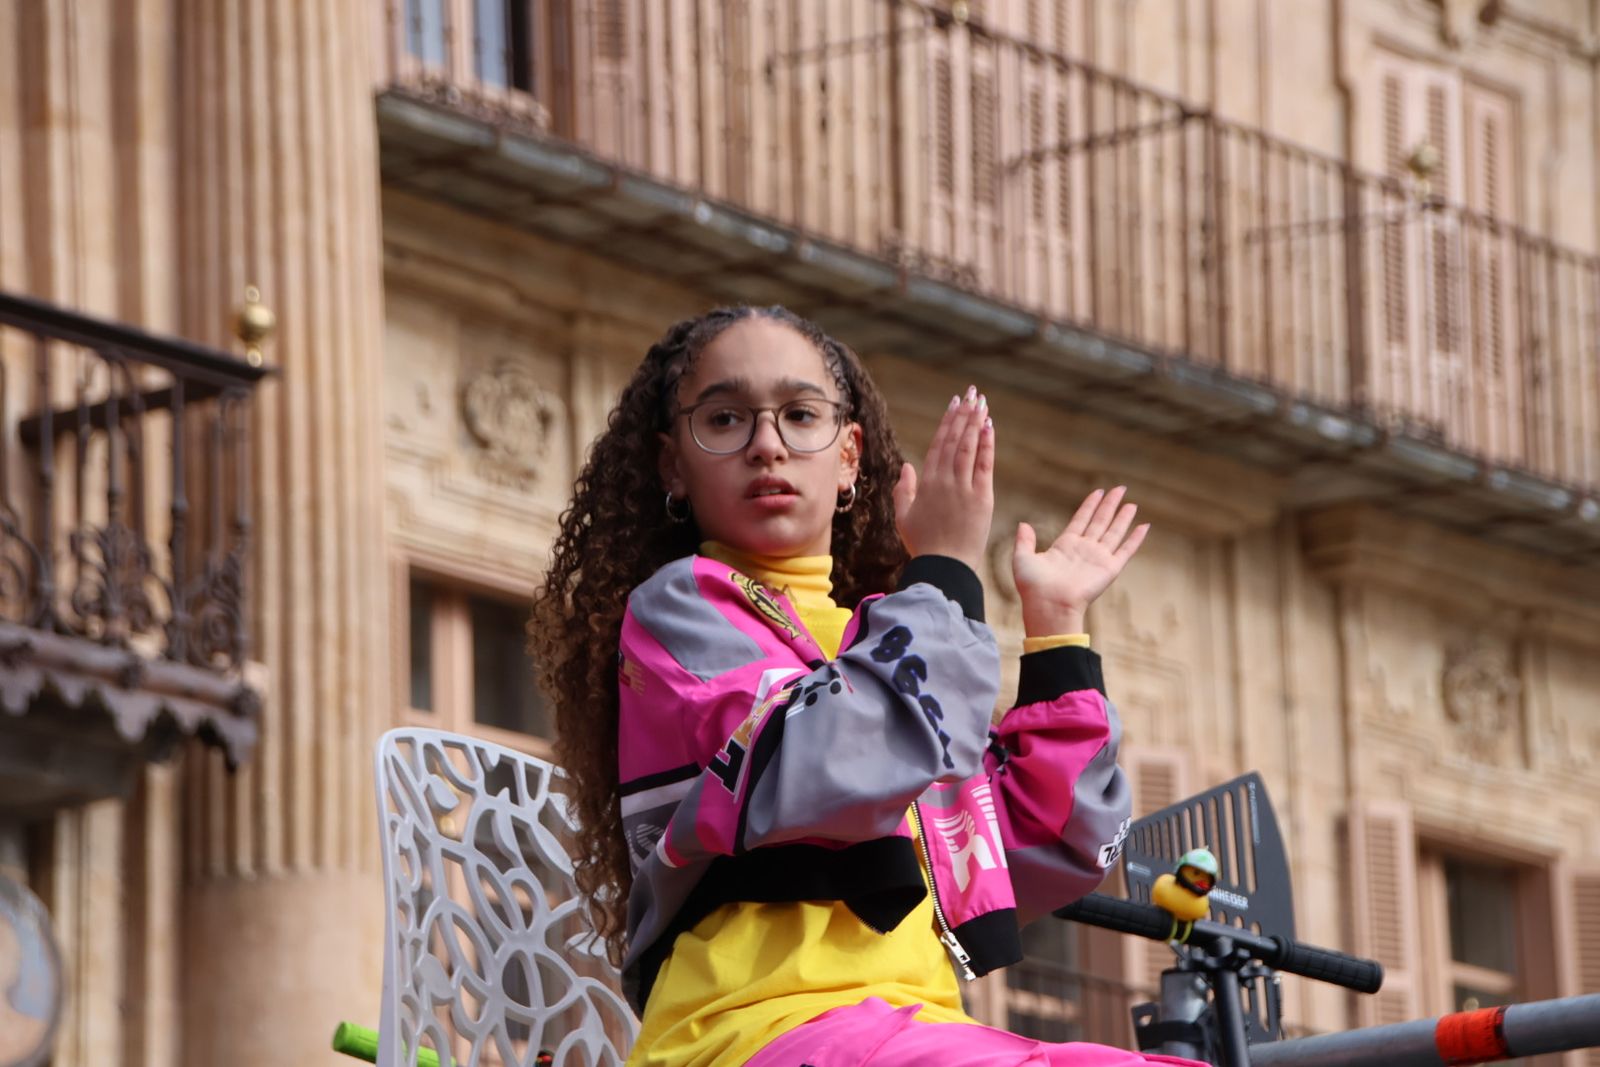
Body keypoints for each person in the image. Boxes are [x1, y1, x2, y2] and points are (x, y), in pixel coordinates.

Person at [531, 306, 1195, 1067]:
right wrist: (943, 570)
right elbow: (838, 760)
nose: (767, 444)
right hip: (752, 1030)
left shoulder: (885, 647)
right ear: (672, 466)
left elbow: (1046, 847)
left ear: (848, 457)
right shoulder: (683, 609)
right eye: (725, 419)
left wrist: (1057, 631)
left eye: (799, 415)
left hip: (916, 1034)